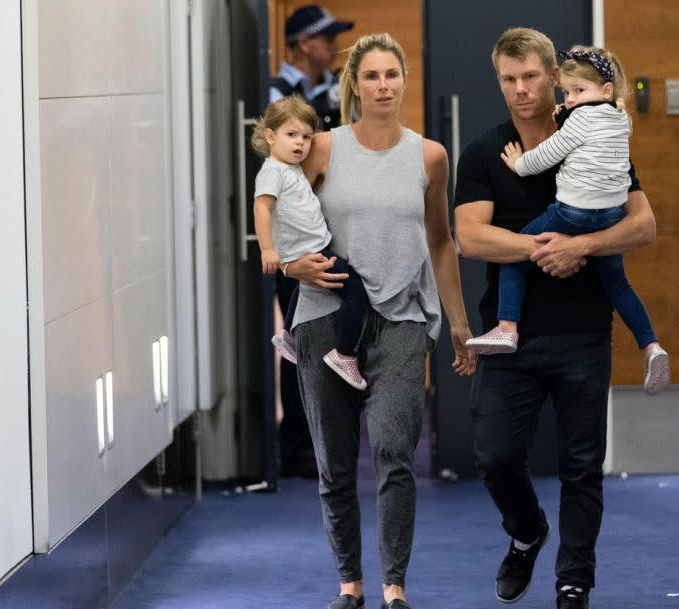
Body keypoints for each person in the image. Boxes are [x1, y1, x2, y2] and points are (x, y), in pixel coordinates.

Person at [454, 28, 657, 609]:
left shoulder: (596, 134)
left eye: (531, 77)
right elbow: (470, 237)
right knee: (494, 457)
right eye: (508, 80)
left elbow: (642, 225)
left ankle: (575, 582)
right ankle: (526, 532)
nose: (521, 90)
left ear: (554, 77)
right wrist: (547, 249)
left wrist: (582, 249)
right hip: (509, 338)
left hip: (583, 332)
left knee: (581, 468)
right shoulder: (484, 151)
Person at [285, 33, 476, 609]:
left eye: (392, 74)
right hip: (325, 317)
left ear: (404, 80)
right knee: (335, 463)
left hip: (402, 319)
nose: (384, 85)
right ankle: (350, 584)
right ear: (355, 85)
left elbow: (441, 243)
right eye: (372, 76)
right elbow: (281, 222)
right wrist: (295, 267)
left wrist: (460, 324)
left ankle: (394, 586)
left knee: (395, 451)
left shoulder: (429, 156)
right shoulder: (320, 148)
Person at [466, 45, 670, 395]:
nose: (572, 99)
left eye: (579, 91)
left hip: (571, 214)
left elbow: (545, 156)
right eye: (569, 93)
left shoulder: (579, 120)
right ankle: (651, 346)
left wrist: (518, 163)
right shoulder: (620, 118)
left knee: (515, 261)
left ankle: (506, 327)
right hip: (610, 216)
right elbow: (469, 239)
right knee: (618, 285)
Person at [269, 3, 354, 475]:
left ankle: (331, 438)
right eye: (325, 38)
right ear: (303, 43)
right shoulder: (277, 94)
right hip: (296, 236)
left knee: (343, 332)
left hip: (339, 228)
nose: (331, 46)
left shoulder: (336, 90)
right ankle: (298, 446)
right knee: (303, 337)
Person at [251, 96, 370, 389]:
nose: (300, 143)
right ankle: (345, 353)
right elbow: (261, 208)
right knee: (357, 294)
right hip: (309, 251)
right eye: (291, 135)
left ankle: (289, 335)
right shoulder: (272, 172)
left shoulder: (291, 169)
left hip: (314, 245)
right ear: (270, 136)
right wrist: (268, 249)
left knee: (304, 288)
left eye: (306, 136)